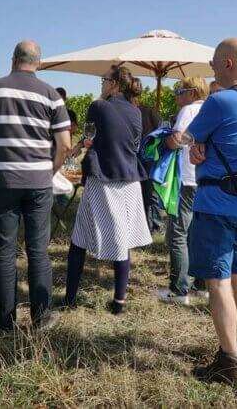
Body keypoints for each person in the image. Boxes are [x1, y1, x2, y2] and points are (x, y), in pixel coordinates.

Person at [0, 40, 71, 331]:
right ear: (38, 62)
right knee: (38, 250)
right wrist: (50, 171)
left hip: (2, 180)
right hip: (38, 181)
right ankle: (41, 317)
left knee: (4, 250)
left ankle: (5, 321)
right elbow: (65, 144)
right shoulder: (51, 95)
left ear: (13, 59)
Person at [187, 38, 237, 383]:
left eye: (215, 63)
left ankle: (228, 361)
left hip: (216, 203)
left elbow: (183, 138)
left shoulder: (219, 100)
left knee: (217, 283)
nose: (212, 69)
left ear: (229, 64)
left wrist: (195, 142)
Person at [64, 66, 152, 315]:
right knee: (121, 240)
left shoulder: (99, 106)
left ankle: (70, 298)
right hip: (130, 179)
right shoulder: (135, 111)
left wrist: (78, 148)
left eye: (104, 80)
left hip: (103, 178)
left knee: (79, 239)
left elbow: (90, 137)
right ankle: (119, 301)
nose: (101, 84)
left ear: (114, 84)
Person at [157, 77, 209, 305]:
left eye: (180, 90)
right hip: (204, 180)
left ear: (192, 92)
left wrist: (164, 138)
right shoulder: (210, 109)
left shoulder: (188, 110)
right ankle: (202, 285)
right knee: (199, 233)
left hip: (187, 178)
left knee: (179, 233)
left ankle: (179, 290)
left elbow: (177, 140)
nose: (176, 95)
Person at [129, 77, 163, 234]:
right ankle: (147, 225)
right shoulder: (133, 112)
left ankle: (154, 225)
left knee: (149, 193)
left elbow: (161, 133)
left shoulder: (149, 111)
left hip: (148, 160)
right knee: (144, 193)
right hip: (136, 160)